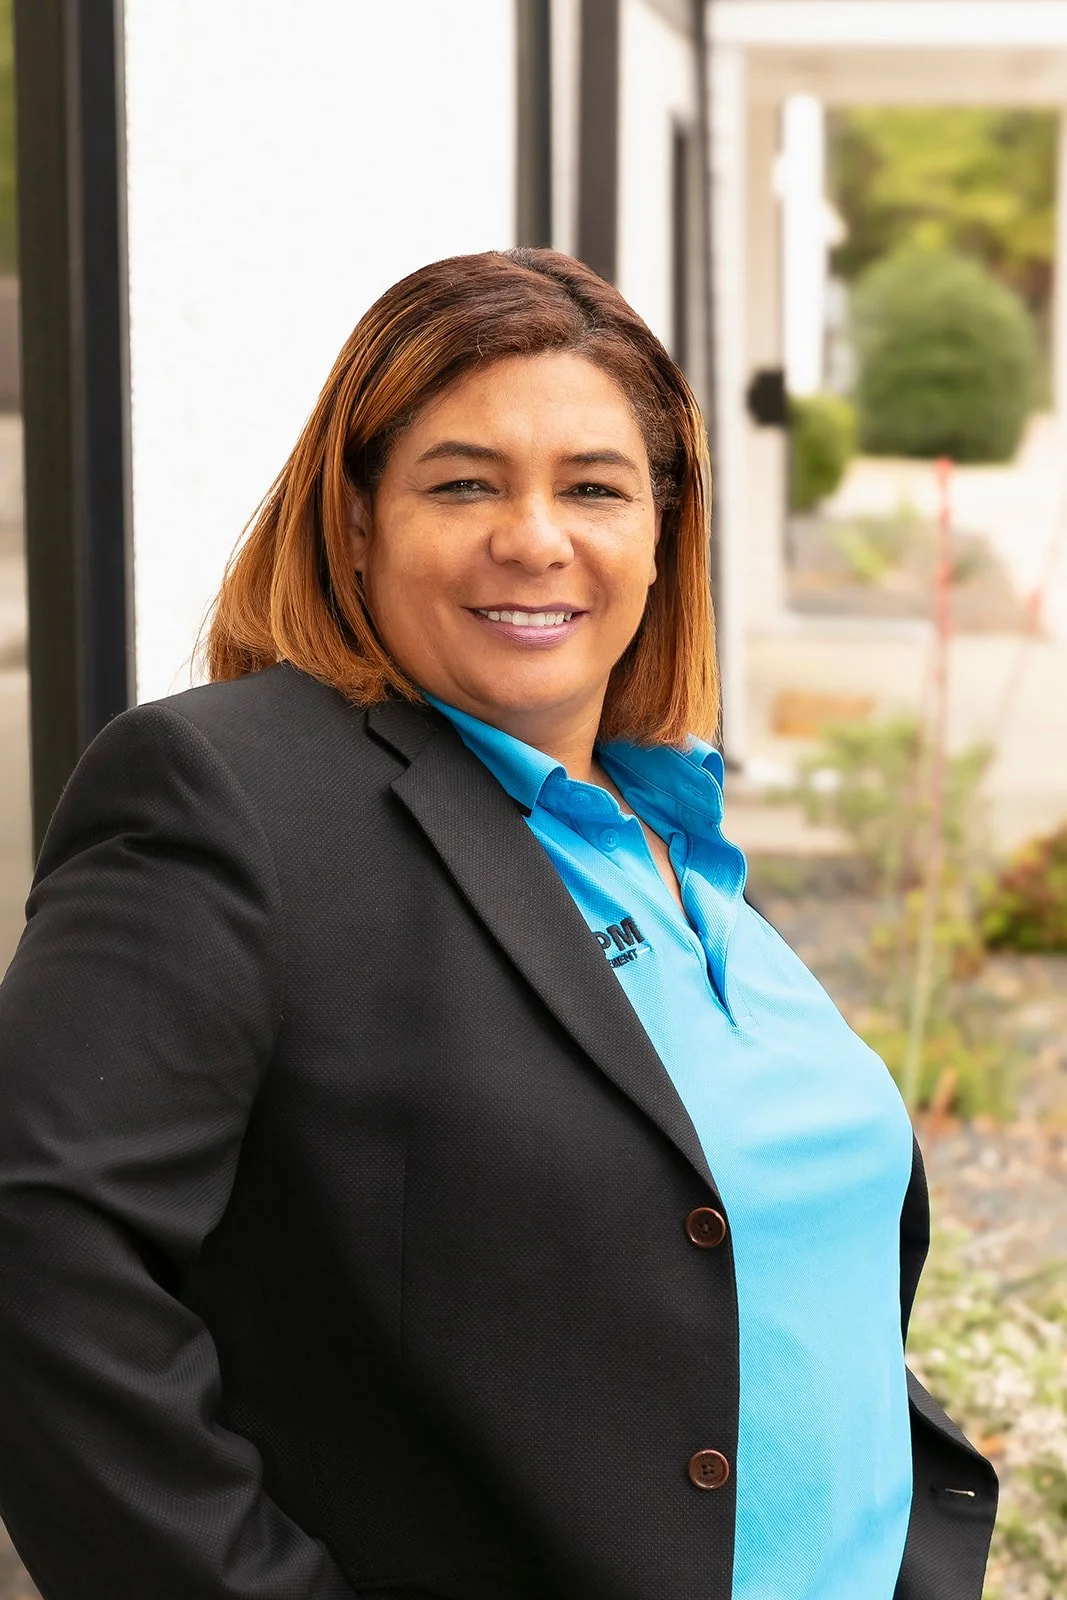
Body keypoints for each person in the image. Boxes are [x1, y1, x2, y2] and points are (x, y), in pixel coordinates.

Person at [0, 248, 996, 1600]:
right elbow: (44, 1267)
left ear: (661, 532)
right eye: (462, 482)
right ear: (354, 522)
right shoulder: (232, 795)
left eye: (593, 486)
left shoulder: (673, 829)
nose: (533, 537)